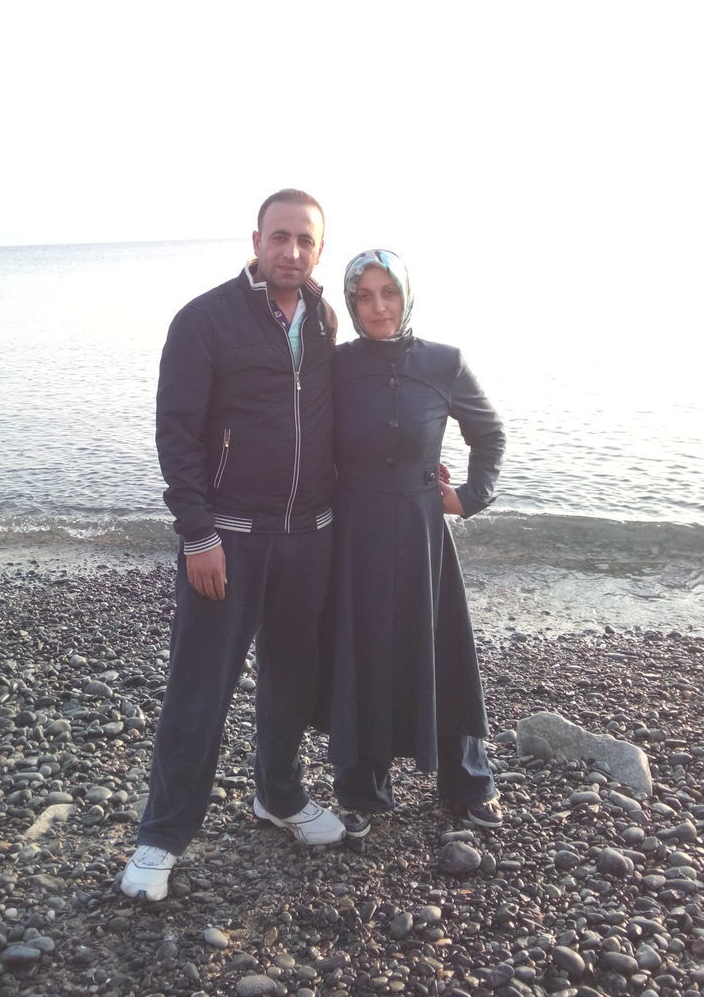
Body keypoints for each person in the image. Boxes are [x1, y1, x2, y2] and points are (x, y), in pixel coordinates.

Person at [117, 189, 345, 903]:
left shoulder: (325, 317)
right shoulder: (206, 319)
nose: (291, 252)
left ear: (319, 249)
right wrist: (197, 534)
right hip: (229, 541)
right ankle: (161, 835)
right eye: (280, 237)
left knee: (291, 681)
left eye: (305, 241)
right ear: (256, 240)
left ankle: (278, 794)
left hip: (307, 538)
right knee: (198, 689)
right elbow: (176, 434)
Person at [324, 249, 507, 835]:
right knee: (365, 650)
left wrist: (469, 496)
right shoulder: (336, 366)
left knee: (443, 649)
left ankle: (467, 784)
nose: (378, 307)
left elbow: (489, 434)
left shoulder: (444, 362)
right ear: (351, 303)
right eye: (364, 296)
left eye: (389, 293)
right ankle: (362, 791)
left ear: (406, 295)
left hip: (424, 531)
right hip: (355, 531)